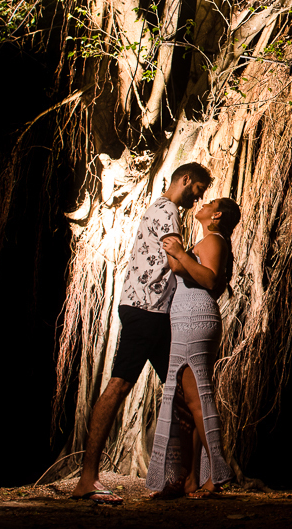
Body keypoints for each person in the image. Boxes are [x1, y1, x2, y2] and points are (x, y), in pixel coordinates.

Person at [69, 163, 212, 504]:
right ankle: (87, 479)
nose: (198, 197)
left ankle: (188, 479)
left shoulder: (157, 208)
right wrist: (206, 271)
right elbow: (175, 262)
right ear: (186, 180)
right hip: (147, 311)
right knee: (120, 385)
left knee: (186, 393)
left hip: (153, 312)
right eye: (198, 189)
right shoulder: (168, 211)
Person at [145, 196, 241, 498]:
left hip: (195, 318)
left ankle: (217, 474)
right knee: (192, 399)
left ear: (217, 215)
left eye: (209, 203)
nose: (202, 203)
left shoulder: (214, 240)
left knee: (198, 398)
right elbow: (183, 270)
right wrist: (177, 253)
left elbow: (210, 280)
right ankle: (193, 478)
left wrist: (180, 254)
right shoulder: (205, 241)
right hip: (187, 318)